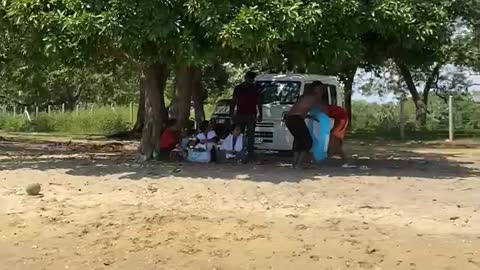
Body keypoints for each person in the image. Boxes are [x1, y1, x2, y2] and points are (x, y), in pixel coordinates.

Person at [285, 82, 323, 168]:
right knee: (308, 142)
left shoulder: (304, 96)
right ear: (318, 89)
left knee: (298, 141)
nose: (322, 92)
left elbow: (301, 110)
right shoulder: (315, 96)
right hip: (296, 119)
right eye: (321, 89)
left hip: (289, 119)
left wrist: (311, 117)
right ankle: (298, 165)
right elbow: (321, 108)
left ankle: (294, 164)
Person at [230, 71, 262, 163]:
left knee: (242, 134)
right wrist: (260, 114)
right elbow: (259, 102)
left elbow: (233, 101)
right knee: (249, 135)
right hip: (249, 115)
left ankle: (242, 152)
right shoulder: (255, 88)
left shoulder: (239, 88)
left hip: (243, 114)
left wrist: (231, 113)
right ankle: (247, 153)